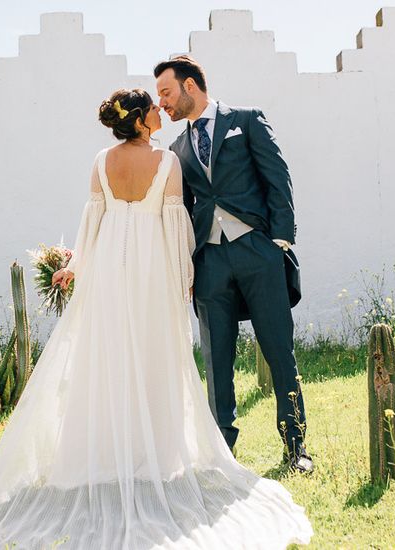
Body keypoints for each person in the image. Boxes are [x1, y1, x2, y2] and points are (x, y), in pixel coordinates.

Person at [0, 88, 312, 549]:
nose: (160, 108)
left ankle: (106, 453)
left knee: (106, 356)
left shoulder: (101, 160)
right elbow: (175, 227)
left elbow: (92, 221)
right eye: (154, 105)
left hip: (108, 270)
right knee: (154, 355)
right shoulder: (168, 162)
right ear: (143, 120)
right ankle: (155, 453)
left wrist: (76, 266)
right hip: (150, 271)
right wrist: (184, 277)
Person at [154, 55, 313, 473]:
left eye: (166, 93)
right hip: (209, 262)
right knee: (215, 361)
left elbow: (277, 177)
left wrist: (279, 240)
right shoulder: (176, 150)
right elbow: (183, 210)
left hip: (258, 252)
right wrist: (187, 264)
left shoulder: (246, 119)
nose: (163, 104)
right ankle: (222, 456)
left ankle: (296, 448)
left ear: (190, 86)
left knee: (280, 352)